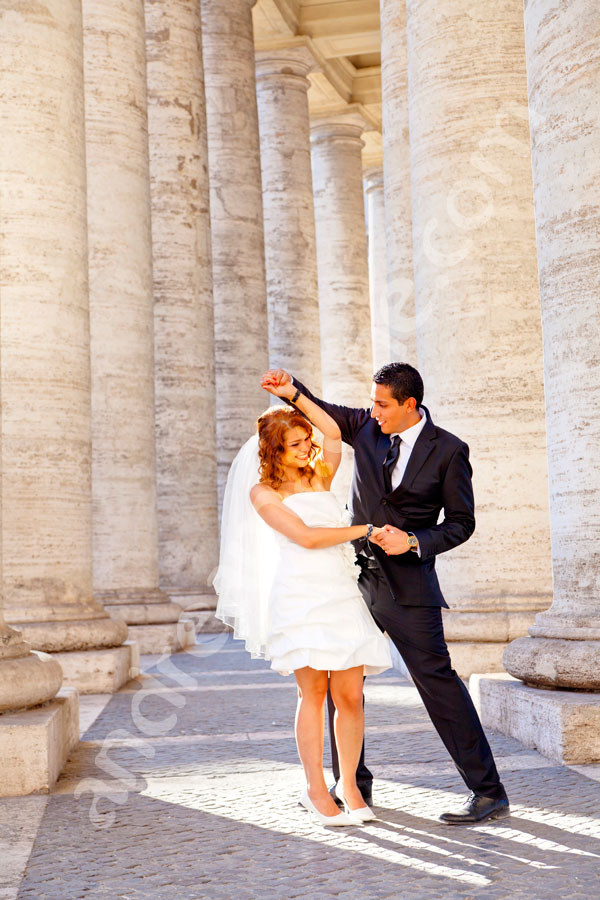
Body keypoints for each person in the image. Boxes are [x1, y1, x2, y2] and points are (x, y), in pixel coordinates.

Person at [262, 363, 510, 826]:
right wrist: (290, 391)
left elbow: (461, 523)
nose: (372, 411)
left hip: (409, 588)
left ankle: (488, 791)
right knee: (344, 687)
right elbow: (325, 415)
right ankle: (352, 785)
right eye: (372, 402)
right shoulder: (365, 426)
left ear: (409, 405)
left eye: (382, 404)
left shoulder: (450, 450)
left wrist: (415, 541)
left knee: (438, 682)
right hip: (350, 581)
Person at [213, 383, 392, 828]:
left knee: (350, 696)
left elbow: (333, 433)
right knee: (312, 694)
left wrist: (295, 396)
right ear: (274, 449)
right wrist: (364, 529)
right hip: (300, 596)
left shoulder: (319, 476)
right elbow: (308, 538)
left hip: (340, 593)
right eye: (295, 443)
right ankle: (315, 788)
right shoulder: (263, 494)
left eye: (304, 439)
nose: (307, 446)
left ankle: (348, 785)